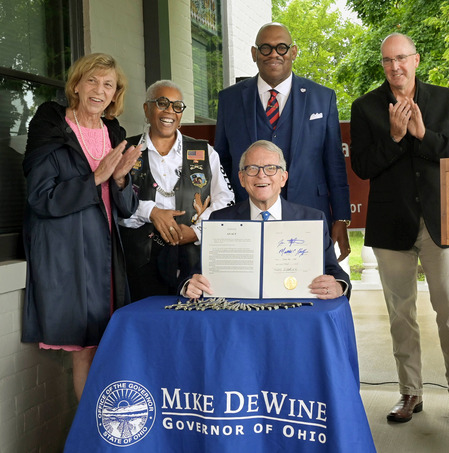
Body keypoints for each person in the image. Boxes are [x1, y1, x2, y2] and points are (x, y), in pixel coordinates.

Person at [350, 33, 449, 426]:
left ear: (416, 59)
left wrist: (424, 136)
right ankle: (410, 393)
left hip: (439, 221)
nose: (395, 67)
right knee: (400, 314)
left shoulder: (445, 99)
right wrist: (393, 137)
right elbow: (363, 167)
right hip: (391, 226)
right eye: (388, 61)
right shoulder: (366, 107)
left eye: (401, 58)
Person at [21, 53, 142, 401]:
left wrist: (119, 181)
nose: (99, 90)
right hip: (69, 253)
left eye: (108, 84)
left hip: (106, 255)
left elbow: (126, 208)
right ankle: (90, 437)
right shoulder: (52, 126)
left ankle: (102, 432)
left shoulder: (113, 132)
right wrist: (95, 178)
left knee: (107, 345)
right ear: (76, 85)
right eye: (92, 80)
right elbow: (42, 198)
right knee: (86, 350)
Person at [214, 22, 352, 262]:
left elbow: (334, 162)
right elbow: (222, 162)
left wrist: (340, 217)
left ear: (294, 52)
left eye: (281, 47)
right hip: (246, 216)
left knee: (309, 289)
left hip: (309, 211)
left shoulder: (323, 98)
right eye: (265, 48)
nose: (274, 54)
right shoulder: (230, 99)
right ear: (254, 53)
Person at [182, 140, 350, 300]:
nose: (261, 175)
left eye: (271, 168)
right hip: (238, 317)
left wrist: (338, 286)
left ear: (283, 178)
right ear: (241, 178)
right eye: (252, 168)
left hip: (295, 315)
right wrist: (190, 285)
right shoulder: (220, 219)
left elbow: (336, 273)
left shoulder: (313, 220)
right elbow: (197, 275)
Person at [119, 80, 234, 301]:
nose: (170, 111)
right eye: (162, 103)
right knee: (149, 323)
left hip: (193, 262)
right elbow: (114, 202)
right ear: (147, 108)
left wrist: (198, 231)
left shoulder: (205, 151)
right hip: (139, 262)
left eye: (177, 106)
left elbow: (226, 199)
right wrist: (149, 211)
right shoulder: (127, 150)